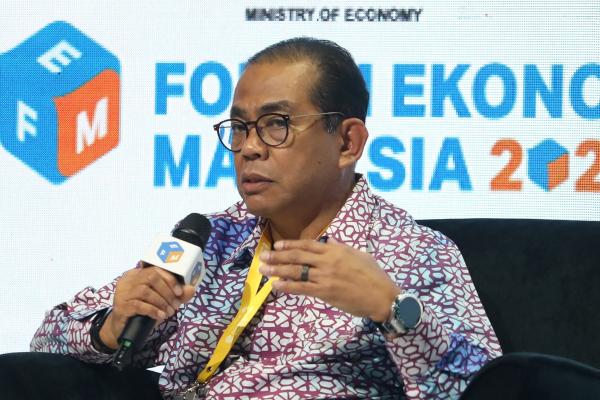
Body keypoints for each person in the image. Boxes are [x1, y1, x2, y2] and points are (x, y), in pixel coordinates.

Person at [30, 37, 501, 399]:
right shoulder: (210, 240)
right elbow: (47, 339)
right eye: (239, 127)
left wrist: (392, 311)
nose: (250, 147)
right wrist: (113, 325)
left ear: (347, 142)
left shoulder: (412, 252)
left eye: (277, 124)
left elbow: (489, 388)